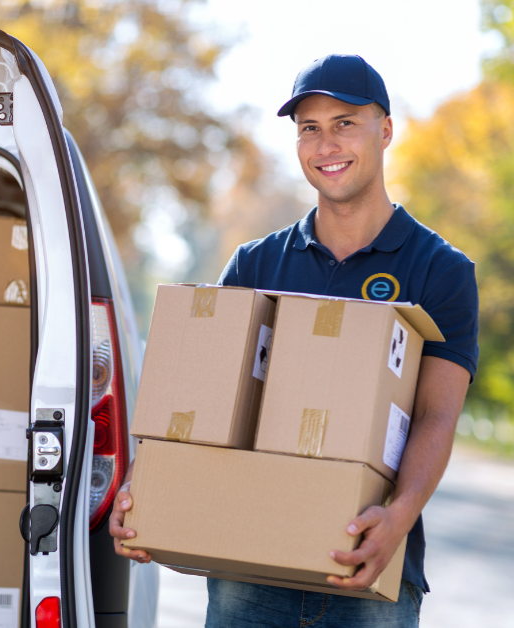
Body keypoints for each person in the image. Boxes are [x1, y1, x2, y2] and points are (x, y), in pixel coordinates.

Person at [109, 54, 479, 627]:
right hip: (247, 571)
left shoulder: (440, 269)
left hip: (369, 565)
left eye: (344, 123)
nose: (325, 145)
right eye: (309, 128)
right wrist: (145, 488)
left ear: (385, 130)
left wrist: (399, 515)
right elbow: (200, 401)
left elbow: (436, 413)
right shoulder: (255, 264)